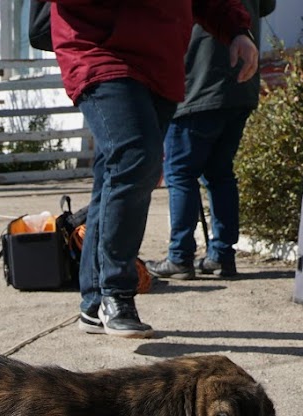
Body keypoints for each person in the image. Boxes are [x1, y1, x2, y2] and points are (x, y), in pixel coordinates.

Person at [44, 0, 258, 338]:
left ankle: (93, 301)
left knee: (117, 176)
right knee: (136, 159)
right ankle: (115, 292)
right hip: (99, 51)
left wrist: (236, 30)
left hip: (161, 65)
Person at [147, 0, 275, 283]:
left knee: (181, 173)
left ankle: (180, 256)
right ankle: (222, 255)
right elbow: (265, 7)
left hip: (199, 83)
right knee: (220, 173)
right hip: (241, 85)